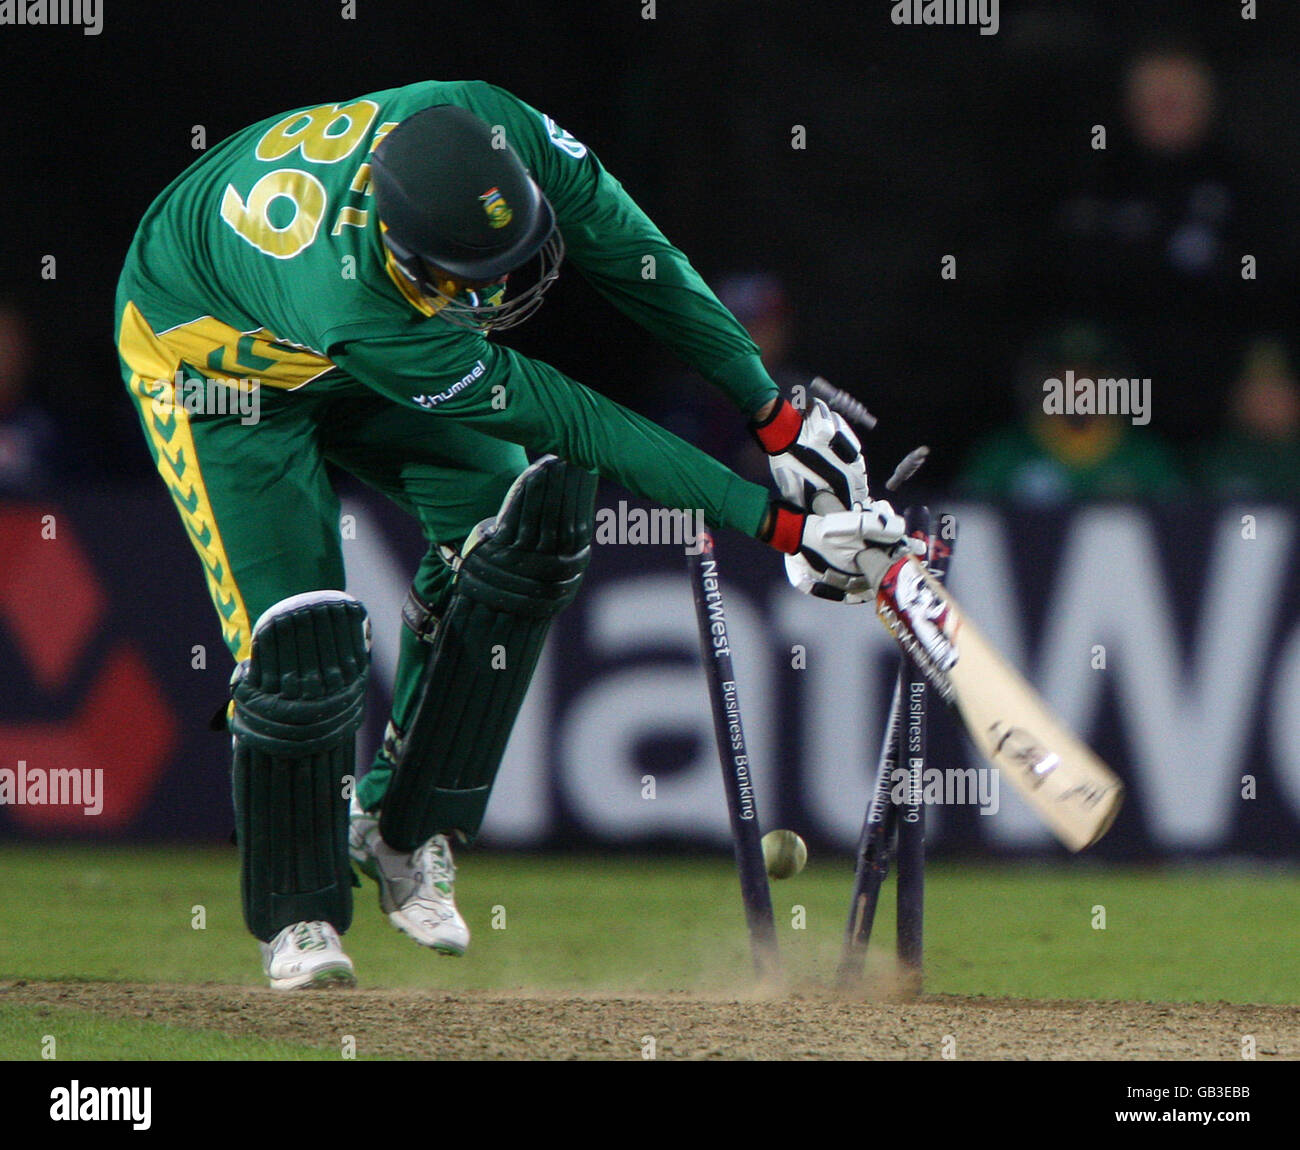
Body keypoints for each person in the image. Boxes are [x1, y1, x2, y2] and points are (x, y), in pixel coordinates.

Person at [115, 80, 910, 989]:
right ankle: (297, 915)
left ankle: (402, 828)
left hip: (327, 330)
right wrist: (779, 525)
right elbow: (577, 419)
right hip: (217, 376)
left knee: (518, 529)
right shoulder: (363, 311)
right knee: (300, 642)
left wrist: (774, 416)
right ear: (403, 253)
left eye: (505, 261)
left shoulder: (500, 127)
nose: (492, 290)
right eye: (465, 276)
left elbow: (635, 255)